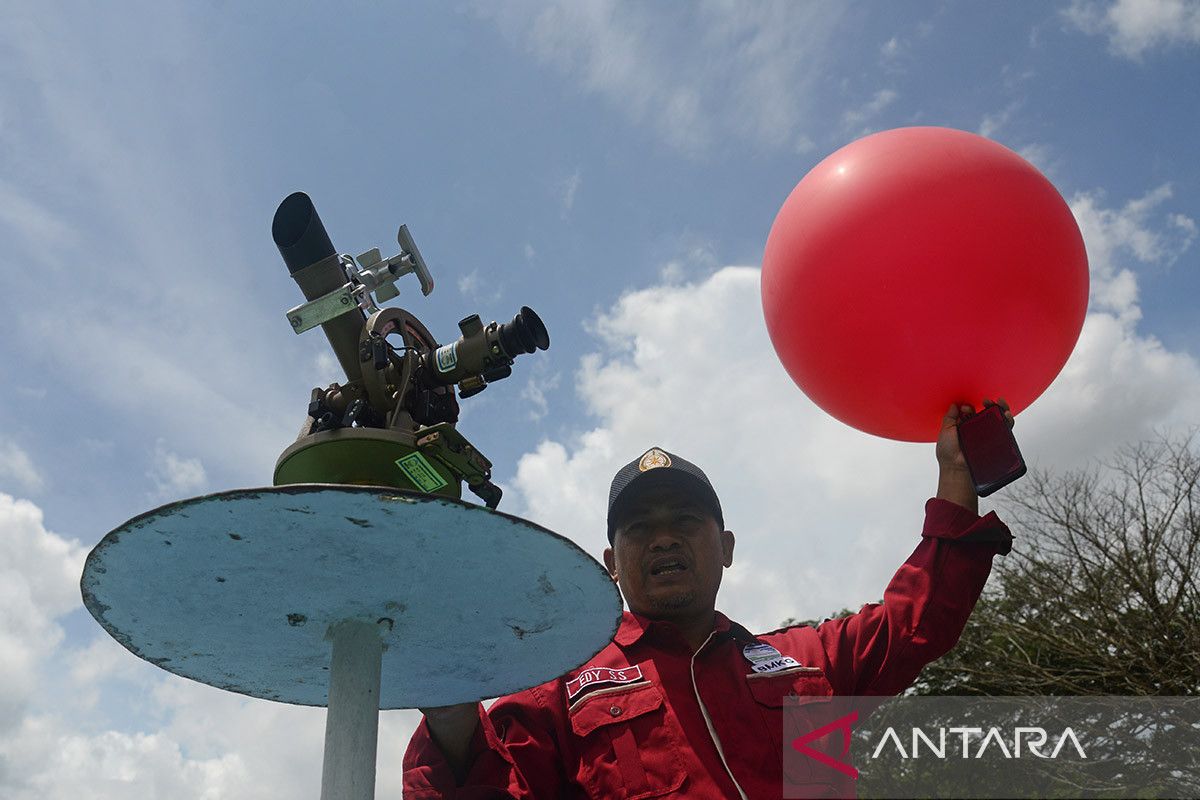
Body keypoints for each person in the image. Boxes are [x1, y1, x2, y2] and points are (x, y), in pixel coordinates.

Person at [403, 401, 1015, 798]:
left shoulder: (809, 661)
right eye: (639, 527)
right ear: (611, 562)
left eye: (686, 520)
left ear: (724, 546)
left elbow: (918, 621)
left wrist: (956, 479)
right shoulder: (555, 689)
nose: (663, 536)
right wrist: (451, 717)